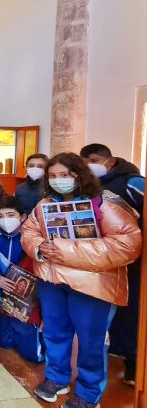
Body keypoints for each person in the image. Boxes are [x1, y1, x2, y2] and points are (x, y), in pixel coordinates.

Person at [21, 152, 141, 407]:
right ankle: (56, 378)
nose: (58, 180)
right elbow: (29, 231)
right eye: (52, 176)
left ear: (79, 174)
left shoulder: (105, 204)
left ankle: (88, 393)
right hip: (53, 282)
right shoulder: (45, 205)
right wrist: (41, 247)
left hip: (91, 286)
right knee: (54, 333)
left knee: (90, 341)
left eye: (64, 175)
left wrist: (64, 250)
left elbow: (127, 245)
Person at [80, 143, 144, 384]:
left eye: (94, 160)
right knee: (109, 305)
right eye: (84, 162)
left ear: (110, 159)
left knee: (132, 310)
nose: (89, 166)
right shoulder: (89, 186)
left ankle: (135, 362)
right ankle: (118, 346)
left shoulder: (133, 183)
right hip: (103, 257)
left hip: (133, 259)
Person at [0, 196, 44, 363]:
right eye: (0, 216)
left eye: (10, 215)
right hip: (2, 302)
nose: (5, 220)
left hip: (27, 305)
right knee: (2, 342)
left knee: (32, 356)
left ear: (22, 217)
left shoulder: (32, 240)